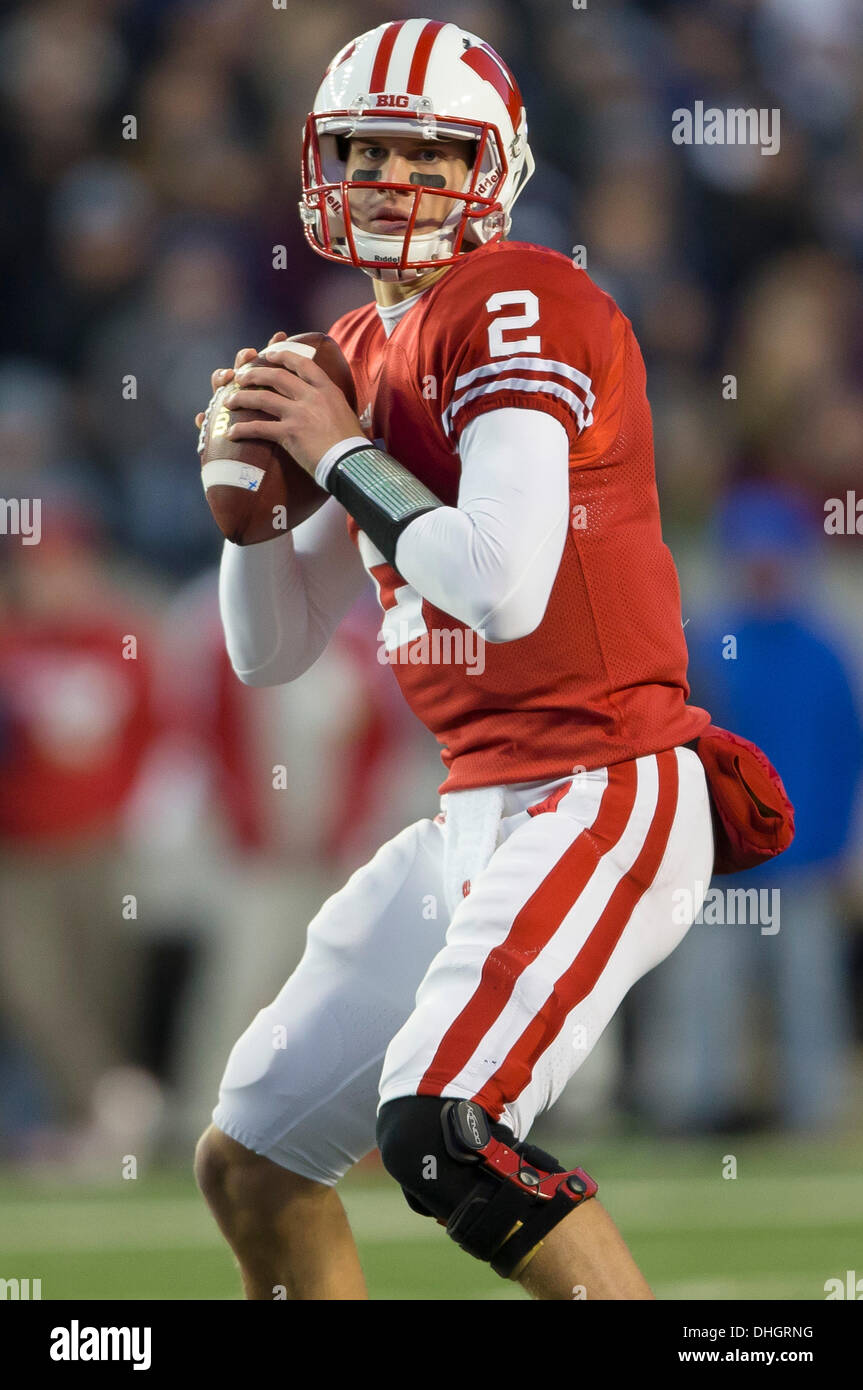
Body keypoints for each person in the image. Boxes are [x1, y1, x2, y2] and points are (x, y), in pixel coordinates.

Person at [193, 18, 717, 1300]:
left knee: (445, 1134)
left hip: (604, 782)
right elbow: (269, 651)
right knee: (249, 1159)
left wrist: (327, 455)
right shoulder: (353, 355)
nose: (388, 179)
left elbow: (497, 578)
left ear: (494, 170)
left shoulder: (516, 296)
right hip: (471, 807)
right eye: (364, 148)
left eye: (426, 155)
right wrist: (246, 502)